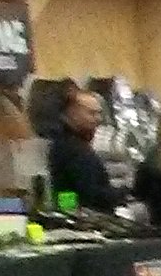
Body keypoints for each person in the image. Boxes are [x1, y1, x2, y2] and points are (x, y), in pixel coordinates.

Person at [47, 86, 123, 215]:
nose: (98, 119)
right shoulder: (73, 150)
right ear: (72, 113)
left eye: (99, 113)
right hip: (85, 220)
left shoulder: (68, 144)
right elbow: (91, 196)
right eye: (92, 113)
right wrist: (124, 192)